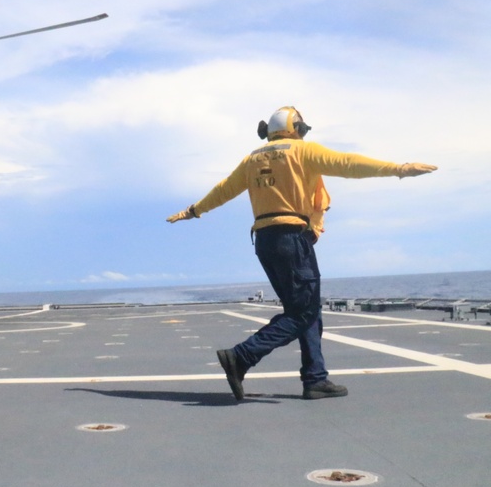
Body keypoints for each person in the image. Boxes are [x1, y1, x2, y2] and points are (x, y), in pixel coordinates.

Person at [167, 106, 437, 400]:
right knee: (303, 313)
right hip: (292, 239)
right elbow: (348, 163)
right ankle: (241, 356)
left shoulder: (252, 159)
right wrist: (398, 169)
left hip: (265, 240)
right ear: (294, 128)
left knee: (308, 310)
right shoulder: (301, 152)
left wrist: (193, 211)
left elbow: (223, 190)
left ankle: (315, 378)